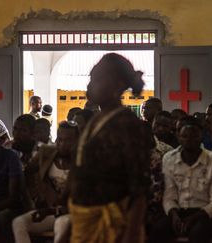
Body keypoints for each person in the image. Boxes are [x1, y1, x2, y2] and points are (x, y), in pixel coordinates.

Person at [69, 53, 149, 243]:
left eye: (96, 80)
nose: (90, 86)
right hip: (82, 220)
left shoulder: (127, 124)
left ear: (116, 85)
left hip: (113, 225)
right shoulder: (94, 120)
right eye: (90, 79)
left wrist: (131, 234)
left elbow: (140, 189)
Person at [153, 117, 212, 243]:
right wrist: (174, 215)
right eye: (184, 136)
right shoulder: (169, 159)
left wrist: (193, 218)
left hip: (204, 213)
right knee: (158, 230)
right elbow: (169, 196)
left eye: (194, 136)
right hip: (177, 211)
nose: (189, 140)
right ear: (179, 137)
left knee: (197, 234)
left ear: (201, 137)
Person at [13, 121, 79, 243]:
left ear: (77, 141)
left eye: (69, 140)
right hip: (50, 210)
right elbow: (28, 172)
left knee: (61, 224)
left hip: (74, 214)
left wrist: (53, 211)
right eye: (60, 139)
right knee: (19, 223)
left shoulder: (84, 162)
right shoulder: (47, 152)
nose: (63, 144)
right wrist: (34, 196)